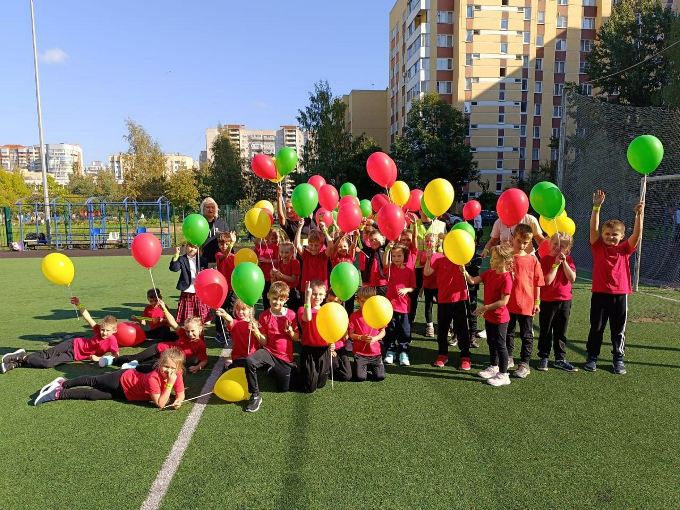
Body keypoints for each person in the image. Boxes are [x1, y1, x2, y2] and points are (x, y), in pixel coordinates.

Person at [585, 189, 644, 375]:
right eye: (607, 233)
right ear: (603, 234)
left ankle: (618, 358)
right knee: (596, 328)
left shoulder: (625, 249)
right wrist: (596, 207)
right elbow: (593, 229)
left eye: (615, 234)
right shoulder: (598, 247)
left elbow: (637, 235)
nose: (611, 237)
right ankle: (592, 357)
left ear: (621, 236)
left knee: (618, 330)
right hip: (600, 294)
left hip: (620, 295)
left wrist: (638, 215)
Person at [33, 348, 186, 409]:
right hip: (121, 379)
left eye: (173, 368)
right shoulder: (153, 378)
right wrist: (169, 385)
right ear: (160, 364)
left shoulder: (177, 374)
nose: (169, 371)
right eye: (166, 366)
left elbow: (181, 393)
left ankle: (58, 394)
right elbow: (160, 403)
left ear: (179, 369)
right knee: (94, 381)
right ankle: (63, 383)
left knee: (92, 395)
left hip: (127, 393)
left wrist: (179, 400)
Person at [1, 297, 119, 373]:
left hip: (73, 356)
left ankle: (19, 360)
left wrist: (100, 359)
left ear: (114, 330)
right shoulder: (98, 329)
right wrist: (79, 304)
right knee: (47, 354)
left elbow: (116, 357)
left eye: (107, 331)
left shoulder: (112, 341)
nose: (104, 332)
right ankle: (18, 361)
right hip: (72, 344)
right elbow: (87, 317)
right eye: (103, 329)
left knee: (48, 363)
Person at [99, 299, 208, 374]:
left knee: (148, 366)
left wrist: (197, 367)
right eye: (188, 331)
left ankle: (131, 367)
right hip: (160, 348)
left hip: (168, 359)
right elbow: (173, 323)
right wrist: (164, 308)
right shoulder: (183, 333)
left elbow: (204, 360)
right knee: (135, 357)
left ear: (200, 329)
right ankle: (111, 360)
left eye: (193, 331)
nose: (190, 334)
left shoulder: (200, 344)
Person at [243, 282, 300, 412]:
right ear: (268, 295)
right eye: (274, 298)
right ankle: (255, 395)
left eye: (281, 300)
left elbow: (296, 338)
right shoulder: (264, 315)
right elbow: (264, 342)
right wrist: (256, 331)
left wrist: (290, 332)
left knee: (283, 389)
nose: (277, 302)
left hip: (285, 357)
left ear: (286, 300)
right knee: (250, 361)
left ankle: (273, 370)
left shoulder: (291, 315)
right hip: (269, 352)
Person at [463, 245, 514, 387]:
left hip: (500, 318)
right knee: (491, 342)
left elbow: (504, 301)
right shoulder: (490, 273)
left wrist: (485, 307)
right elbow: (473, 281)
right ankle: (494, 367)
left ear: (505, 261)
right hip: (490, 317)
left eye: (496, 258)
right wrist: (464, 271)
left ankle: (504, 375)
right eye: (492, 257)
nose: (492, 260)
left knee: (500, 345)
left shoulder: (506, 278)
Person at [423, 242, 472, 370]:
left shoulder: (461, 260)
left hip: (460, 299)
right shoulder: (438, 260)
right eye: (445, 247)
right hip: (444, 300)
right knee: (443, 329)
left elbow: (468, 260)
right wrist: (428, 258)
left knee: (462, 329)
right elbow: (427, 273)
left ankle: (465, 356)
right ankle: (442, 354)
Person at [505, 224, 545, 379]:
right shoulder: (506, 258)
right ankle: (508, 357)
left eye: (525, 243)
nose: (522, 245)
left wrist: (537, 302)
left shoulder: (533, 260)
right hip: (508, 303)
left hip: (526, 305)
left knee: (526, 334)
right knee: (508, 332)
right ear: (513, 238)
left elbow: (537, 283)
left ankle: (524, 363)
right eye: (519, 241)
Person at [537, 233, 578, 372]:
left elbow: (572, 278)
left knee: (561, 331)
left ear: (568, 249)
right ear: (550, 244)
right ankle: (544, 356)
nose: (557, 247)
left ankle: (560, 358)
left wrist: (564, 263)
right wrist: (555, 264)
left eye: (562, 246)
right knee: (546, 330)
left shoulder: (569, 260)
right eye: (555, 244)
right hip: (548, 301)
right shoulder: (545, 260)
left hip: (565, 301)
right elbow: (547, 281)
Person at [411, 210, 447, 325]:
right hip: (416, 266)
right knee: (414, 295)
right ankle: (411, 320)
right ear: (420, 210)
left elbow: (446, 245)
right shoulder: (413, 224)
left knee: (439, 296)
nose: (426, 212)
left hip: (435, 266)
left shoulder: (442, 225)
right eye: (423, 209)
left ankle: (443, 324)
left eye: (428, 209)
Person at [383, 244, 416, 366]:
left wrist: (406, 289)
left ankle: (403, 352)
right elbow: (385, 263)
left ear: (404, 256)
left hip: (404, 307)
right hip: (390, 307)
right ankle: (390, 351)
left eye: (399, 256)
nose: (396, 258)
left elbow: (413, 287)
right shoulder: (390, 268)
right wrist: (387, 249)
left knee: (405, 331)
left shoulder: (409, 270)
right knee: (390, 330)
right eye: (394, 256)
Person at [298, 281, 332, 393]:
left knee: (321, 384)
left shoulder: (327, 310)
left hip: (324, 349)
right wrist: (307, 298)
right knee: (309, 387)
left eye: (320, 294)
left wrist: (332, 342)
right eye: (314, 294)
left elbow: (332, 328)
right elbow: (307, 318)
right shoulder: (302, 309)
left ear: (325, 295)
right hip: (309, 350)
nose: (317, 297)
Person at [349, 286, 386, 382]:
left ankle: (367, 367)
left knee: (380, 377)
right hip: (360, 354)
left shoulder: (378, 314)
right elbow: (351, 335)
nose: (365, 304)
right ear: (357, 300)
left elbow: (383, 331)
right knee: (360, 377)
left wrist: (375, 338)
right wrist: (361, 337)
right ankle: (356, 366)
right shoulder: (354, 316)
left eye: (368, 301)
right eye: (362, 301)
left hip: (376, 354)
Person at [169, 243, 210, 324]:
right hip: (187, 289)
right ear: (186, 247)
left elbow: (206, 273)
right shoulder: (181, 259)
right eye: (190, 246)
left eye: (195, 247)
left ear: (198, 249)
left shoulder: (202, 260)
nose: (192, 249)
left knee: (200, 310)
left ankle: (203, 320)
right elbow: (174, 268)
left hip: (199, 289)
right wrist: (176, 255)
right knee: (187, 315)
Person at [215, 300, 259, 369]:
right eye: (238, 309)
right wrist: (224, 314)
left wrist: (256, 329)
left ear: (250, 310)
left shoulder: (256, 323)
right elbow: (230, 320)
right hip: (238, 355)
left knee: (249, 364)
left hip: (252, 355)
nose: (240, 312)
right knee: (233, 365)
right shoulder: (235, 323)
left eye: (243, 309)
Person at [481, 213, 545, 257]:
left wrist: (549, 248)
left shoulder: (530, 220)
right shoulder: (499, 222)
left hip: (527, 259)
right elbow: (492, 241)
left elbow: (540, 240)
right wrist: (486, 249)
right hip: (506, 260)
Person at [215, 231, 237, 346]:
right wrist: (232, 244)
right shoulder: (218, 255)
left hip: (233, 289)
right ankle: (219, 332)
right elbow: (225, 256)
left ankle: (231, 331)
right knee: (220, 311)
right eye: (221, 244)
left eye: (226, 244)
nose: (224, 246)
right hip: (222, 289)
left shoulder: (235, 257)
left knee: (232, 310)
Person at [326, 289, 352, 381]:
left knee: (347, 375)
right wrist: (329, 347)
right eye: (330, 301)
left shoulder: (343, 314)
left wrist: (345, 331)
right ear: (326, 299)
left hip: (341, 347)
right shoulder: (323, 313)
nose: (333, 304)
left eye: (336, 301)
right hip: (327, 348)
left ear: (340, 302)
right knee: (334, 366)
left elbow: (346, 337)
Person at [295, 222, 329, 290]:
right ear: (308, 244)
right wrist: (299, 227)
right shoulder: (306, 254)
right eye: (311, 245)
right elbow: (297, 245)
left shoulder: (323, 255)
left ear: (322, 245)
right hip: (307, 289)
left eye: (316, 245)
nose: (313, 248)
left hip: (320, 290)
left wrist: (324, 230)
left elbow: (330, 246)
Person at [420, 232, 441, 338]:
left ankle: (444, 326)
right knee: (428, 307)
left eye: (431, 241)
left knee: (441, 307)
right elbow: (425, 270)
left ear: (436, 243)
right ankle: (430, 326)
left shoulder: (440, 255)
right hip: (428, 285)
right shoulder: (423, 254)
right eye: (427, 241)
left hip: (438, 286)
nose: (429, 243)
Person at [255, 229, 282, 310]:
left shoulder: (276, 247)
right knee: (266, 296)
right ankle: (267, 312)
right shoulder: (261, 247)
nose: (274, 240)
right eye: (272, 238)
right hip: (263, 277)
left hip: (274, 277)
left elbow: (279, 260)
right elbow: (256, 258)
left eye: (276, 238)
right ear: (267, 238)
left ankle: (276, 311)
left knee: (276, 295)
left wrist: (266, 260)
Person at [270, 241, 301, 311]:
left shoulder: (295, 262)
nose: (283, 254)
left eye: (287, 252)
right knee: (280, 309)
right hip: (281, 291)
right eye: (281, 252)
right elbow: (274, 282)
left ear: (292, 252)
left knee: (293, 309)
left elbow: (293, 279)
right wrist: (272, 275)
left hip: (292, 291)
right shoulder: (279, 263)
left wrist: (281, 275)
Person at [199, 197, 230, 264]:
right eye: (208, 207)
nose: (210, 210)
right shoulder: (199, 223)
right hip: (203, 261)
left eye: (213, 207)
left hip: (220, 261)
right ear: (203, 209)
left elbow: (228, 240)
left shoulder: (222, 223)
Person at [359, 229, 388, 295]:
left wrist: (374, 224)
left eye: (376, 239)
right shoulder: (369, 252)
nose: (373, 241)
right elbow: (360, 245)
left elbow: (389, 238)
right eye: (371, 240)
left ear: (383, 238)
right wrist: (359, 232)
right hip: (371, 285)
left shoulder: (386, 249)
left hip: (383, 284)